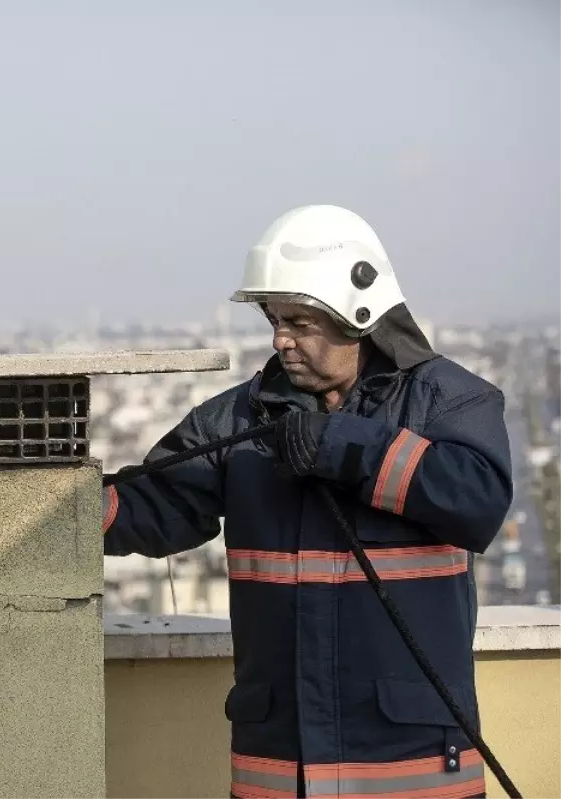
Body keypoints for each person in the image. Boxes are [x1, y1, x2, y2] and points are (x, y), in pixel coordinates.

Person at [103, 205, 511, 799]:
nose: (280, 340)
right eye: (274, 320)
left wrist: (343, 445)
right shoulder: (238, 418)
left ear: (358, 315)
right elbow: (159, 504)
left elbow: (477, 499)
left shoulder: (448, 402)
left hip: (414, 768)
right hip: (280, 768)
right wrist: (48, 512)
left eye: (299, 321)